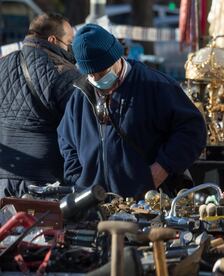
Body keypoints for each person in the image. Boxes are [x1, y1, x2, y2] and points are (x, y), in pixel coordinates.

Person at [57, 24, 206, 198]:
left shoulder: (155, 85)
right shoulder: (81, 94)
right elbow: (66, 140)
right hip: (92, 201)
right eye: (91, 74)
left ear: (116, 58)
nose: (96, 79)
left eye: (101, 71)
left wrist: (162, 167)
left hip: (145, 201)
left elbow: (192, 129)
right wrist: (78, 179)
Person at [0, 13, 80, 198]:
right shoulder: (66, 74)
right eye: (69, 42)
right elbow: (81, 132)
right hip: (43, 182)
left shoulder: (3, 63)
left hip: (3, 177)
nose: (71, 48)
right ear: (53, 40)